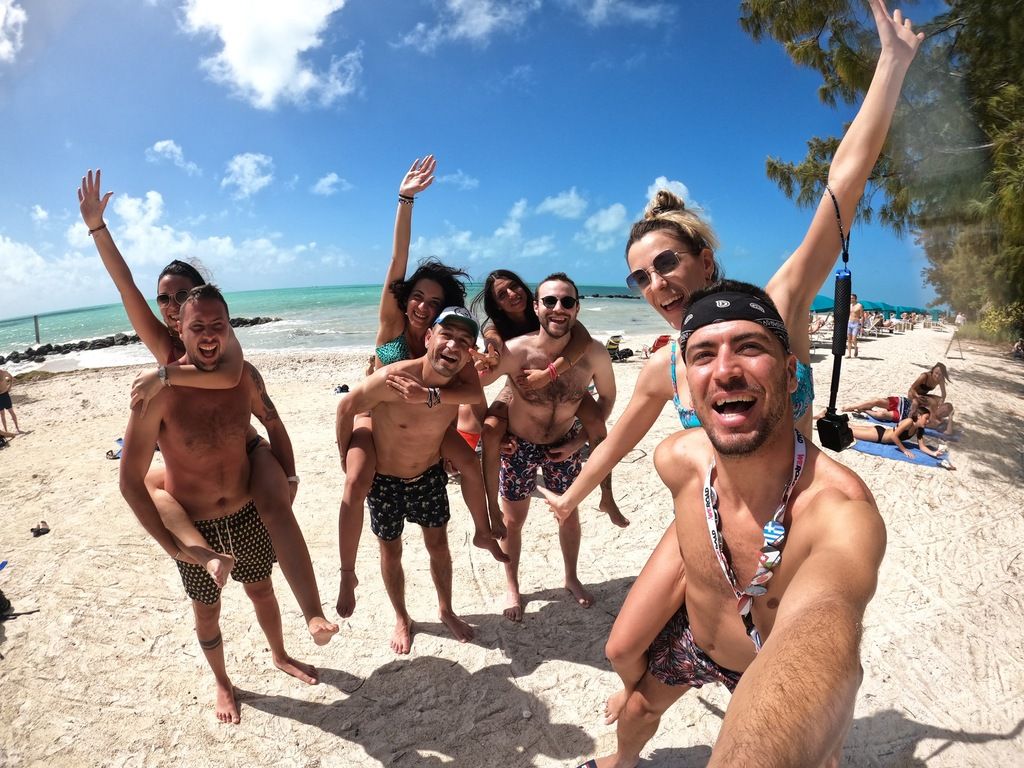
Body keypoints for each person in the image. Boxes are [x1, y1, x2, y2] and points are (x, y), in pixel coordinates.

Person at [541, 0, 922, 740]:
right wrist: (572, 497)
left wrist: (890, 67)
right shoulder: (664, 368)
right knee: (621, 648)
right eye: (640, 279)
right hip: (708, 514)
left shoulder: (775, 309)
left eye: (667, 265)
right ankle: (655, 696)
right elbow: (617, 441)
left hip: (787, 511)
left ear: (704, 261)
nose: (657, 286)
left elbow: (840, 191)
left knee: (789, 663)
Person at [570, 281, 884, 768]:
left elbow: (825, 618)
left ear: (791, 373)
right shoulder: (678, 462)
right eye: (703, 355)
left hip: (769, 668)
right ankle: (621, 760)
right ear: (688, 385)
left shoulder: (837, 509)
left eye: (750, 347)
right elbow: (693, 547)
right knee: (637, 706)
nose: (725, 370)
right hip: (698, 641)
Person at [79, 169, 337, 644]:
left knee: (272, 533)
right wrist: (98, 228)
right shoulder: (164, 343)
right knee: (158, 486)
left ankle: (308, 619)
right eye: (166, 298)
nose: (173, 304)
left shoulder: (228, 352)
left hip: (244, 451)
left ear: (206, 301)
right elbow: (126, 287)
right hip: (193, 464)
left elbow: (244, 392)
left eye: (183, 295)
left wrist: (290, 472)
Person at [119, 285, 318, 724]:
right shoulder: (157, 394)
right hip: (196, 523)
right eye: (197, 327)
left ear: (229, 328)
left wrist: (288, 476)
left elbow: (272, 421)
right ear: (179, 329)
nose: (208, 336)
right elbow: (130, 481)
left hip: (247, 511)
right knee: (207, 611)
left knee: (262, 589)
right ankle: (223, 682)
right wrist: (170, 546)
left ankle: (280, 654)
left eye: (217, 326)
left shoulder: (243, 376)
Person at [335, 156, 492, 619]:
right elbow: (396, 262)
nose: (424, 305)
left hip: (426, 420)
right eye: (418, 297)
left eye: (435, 302)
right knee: (357, 480)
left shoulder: (447, 342)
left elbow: (471, 387)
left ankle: (479, 541)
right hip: (375, 412)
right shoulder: (391, 323)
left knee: (463, 459)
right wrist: (405, 201)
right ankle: (352, 578)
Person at [335, 307, 508, 653]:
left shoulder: (465, 379)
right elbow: (346, 407)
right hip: (385, 478)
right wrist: (345, 455)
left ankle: (448, 605)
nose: (453, 345)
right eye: (446, 335)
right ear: (429, 337)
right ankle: (387, 605)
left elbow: (475, 397)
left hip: (428, 473)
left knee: (439, 546)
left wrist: (428, 397)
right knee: (391, 550)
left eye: (463, 340)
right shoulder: (393, 379)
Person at [479, 273, 615, 621]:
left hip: (565, 444)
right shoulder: (517, 351)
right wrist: (494, 427)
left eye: (567, 302)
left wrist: (579, 441)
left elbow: (608, 399)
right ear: (536, 306)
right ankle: (513, 584)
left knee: (568, 515)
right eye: (550, 301)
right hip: (520, 447)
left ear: (577, 307)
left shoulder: (594, 354)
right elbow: (473, 387)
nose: (559, 308)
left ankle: (570, 577)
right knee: (514, 520)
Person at [470, 269, 626, 527]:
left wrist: (548, 374)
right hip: (519, 381)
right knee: (490, 429)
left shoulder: (556, 308)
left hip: (561, 379)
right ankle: (491, 508)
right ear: (496, 304)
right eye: (501, 294)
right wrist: (491, 351)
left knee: (597, 424)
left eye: (514, 286)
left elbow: (582, 342)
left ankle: (607, 497)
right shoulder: (497, 329)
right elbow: (491, 346)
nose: (511, 294)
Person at [849, 405, 946, 459]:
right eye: (926, 418)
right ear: (919, 416)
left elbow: (922, 447)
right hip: (879, 435)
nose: (928, 421)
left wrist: (934, 453)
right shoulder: (909, 421)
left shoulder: (919, 429)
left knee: (850, 427)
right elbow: (894, 436)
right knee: (849, 431)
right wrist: (904, 450)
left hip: (880, 432)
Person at [840, 395, 956, 435]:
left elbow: (949, 432)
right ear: (941, 405)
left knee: (882, 414)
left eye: (945, 413)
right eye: (943, 408)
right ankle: (852, 406)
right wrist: (913, 408)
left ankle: (863, 410)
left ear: (946, 415)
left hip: (903, 417)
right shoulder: (932, 404)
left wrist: (951, 418)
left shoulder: (937, 423)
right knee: (877, 401)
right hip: (905, 404)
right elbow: (916, 399)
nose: (942, 411)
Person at [0, 368, 21, 434]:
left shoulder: (4, 373)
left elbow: (11, 378)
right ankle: (6, 431)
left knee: (11, 411)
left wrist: (9, 387)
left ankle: (17, 428)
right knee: (2, 414)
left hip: (5, 395)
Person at [847, 292, 865, 358]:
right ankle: (849, 354)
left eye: (852, 298)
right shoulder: (849, 305)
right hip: (849, 323)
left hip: (856, 323)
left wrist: (862, 326)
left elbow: (862, 316)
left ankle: (856, 348)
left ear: (855, 299)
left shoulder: (859, 306)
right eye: (850, 298)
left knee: (853, 339)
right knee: (849, 339)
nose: (851, 299)